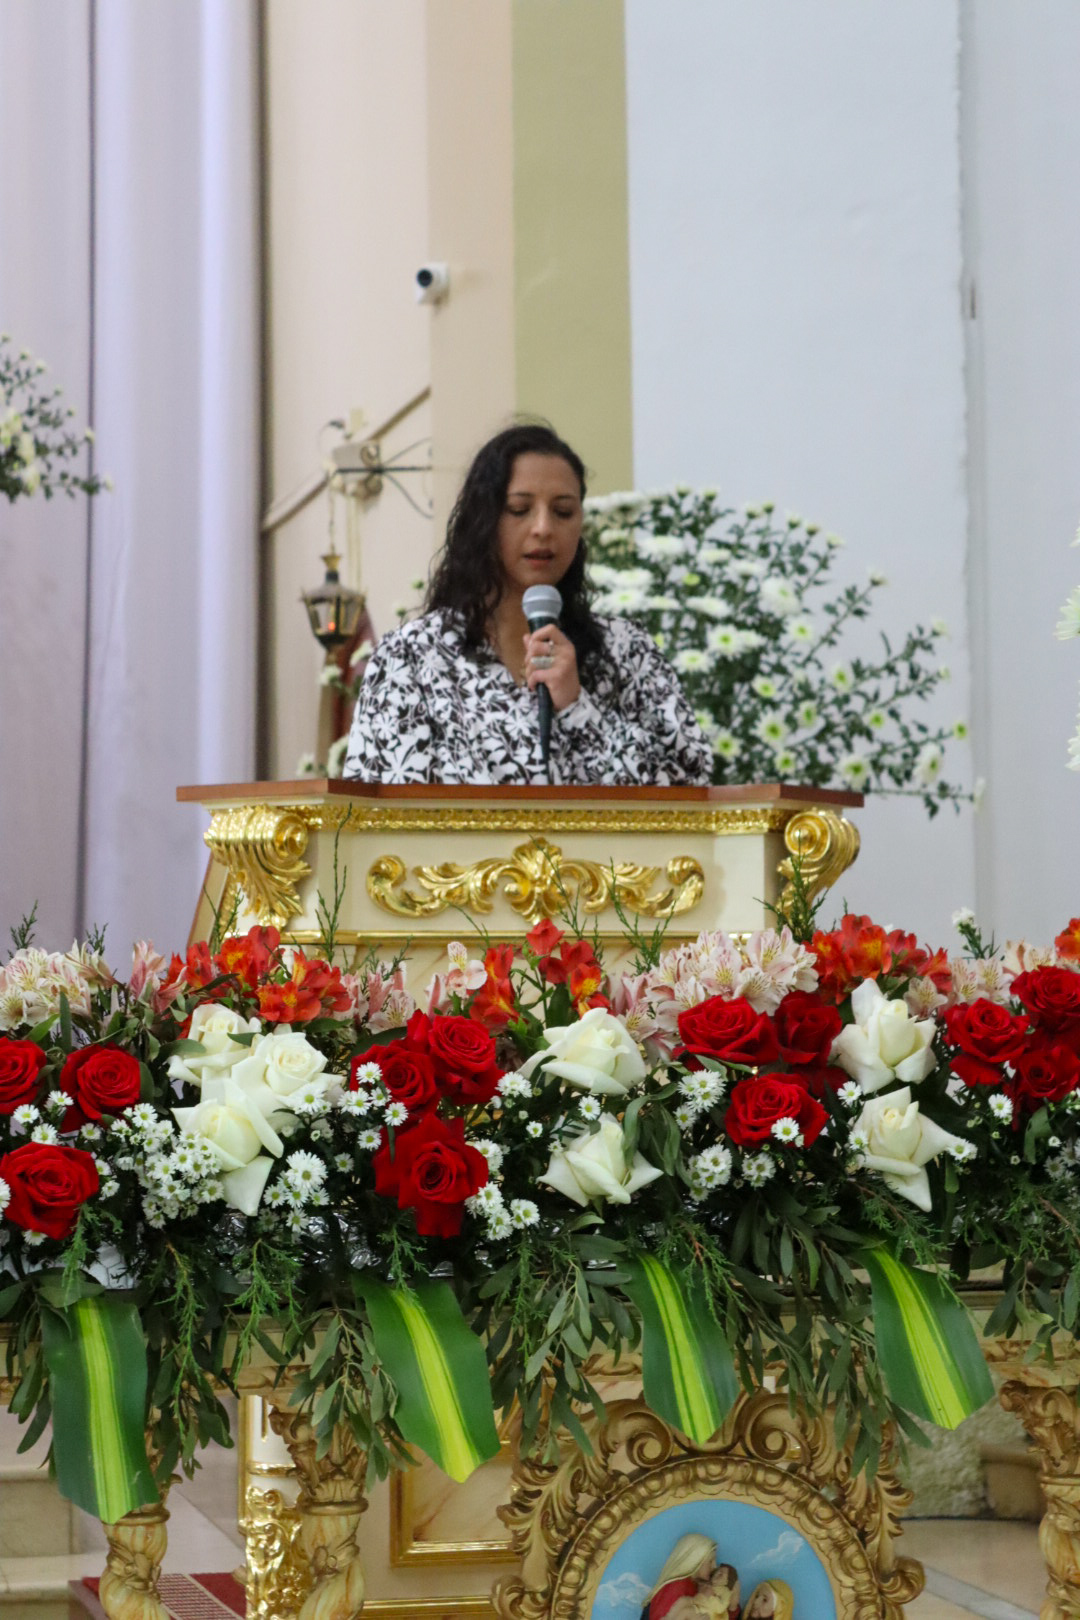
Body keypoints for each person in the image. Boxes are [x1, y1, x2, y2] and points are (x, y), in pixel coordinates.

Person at [343, 423, 711, 785]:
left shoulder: (625, 650)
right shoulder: (411, 658)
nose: (543, 528)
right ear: (482, 520)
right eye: (519, 510)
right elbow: (374, 815)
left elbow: (691, 790)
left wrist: (577, 707)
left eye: (563, 512)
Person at [639, 1533, 718, 1620]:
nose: (714, 1566)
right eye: (710, 1561)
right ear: (695, 1560)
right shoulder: (677, 1588)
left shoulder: (696, 1585)